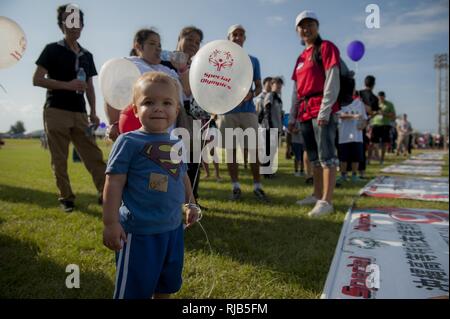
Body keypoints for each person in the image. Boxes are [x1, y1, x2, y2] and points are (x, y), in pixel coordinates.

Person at [103, 72, 200, 299]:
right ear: (135, 110)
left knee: (165, 285)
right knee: (134, 291)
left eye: (167, 103)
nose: (158, 108)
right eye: (148, 102)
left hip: (173, 230)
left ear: (176, 110)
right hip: (139, 233)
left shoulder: (176, 143)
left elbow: (182, 176)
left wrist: (191, 204)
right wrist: (110, 223)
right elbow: (114, 183)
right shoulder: (128, 141)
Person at [33, 4, 106, 212]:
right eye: (69, 21)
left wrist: (93, 111)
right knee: (60, 158)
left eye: (78, 21)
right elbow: (37, 79)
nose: (74, 26)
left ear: (82, 25)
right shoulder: (52, 49)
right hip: (56, 110)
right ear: (61, 25)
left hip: (80, 113)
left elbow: (90, 87)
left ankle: (105, 193)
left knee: (94, 155)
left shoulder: (87, 55)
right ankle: (66, 198)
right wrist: (67, 85)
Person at [289, 11, 340, 217]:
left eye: (310, 24)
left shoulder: (326, 47)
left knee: (327, 155)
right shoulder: (301, 57)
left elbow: (332, 78)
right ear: (297, 31)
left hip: (321, 108)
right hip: (304, 111)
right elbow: (296, 89)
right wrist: (292, 116)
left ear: (317, 26)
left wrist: (325, 109)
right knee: (314, 157)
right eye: (302, 26)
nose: (306, 29)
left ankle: (327, 201)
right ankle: (317, 195)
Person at [216, 24, 268, 202]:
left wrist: (252, 94)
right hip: (227, 112)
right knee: (230, 151)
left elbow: (259, 86)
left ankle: (257, 186)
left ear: (244, 38)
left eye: (241, 35)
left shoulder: (253, 60)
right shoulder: (221, 60)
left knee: (253, 150)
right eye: (234, 34)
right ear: (228, 38)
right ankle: (235, 186)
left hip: (248, 112)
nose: (238, 37)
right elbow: (216, 84)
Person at [336, 79, 368, 184]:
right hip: (344, 135)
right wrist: (353, 116)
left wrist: (363, 125)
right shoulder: (340, 102)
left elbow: (364, 118)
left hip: (357, 136)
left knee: (356, 157)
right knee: (343, 157)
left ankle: (354, 175)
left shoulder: (359, 103)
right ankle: (343, 175)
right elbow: (339, 115)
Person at [261, 77, 284, 178]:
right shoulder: (270, 95)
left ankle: (270, 170)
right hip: (269, 127)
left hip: (277, 128)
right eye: (276, 84)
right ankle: (266, 172)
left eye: (280, 85)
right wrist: (270, 126)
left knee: (273, 150)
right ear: (272, 85)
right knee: (268, 150)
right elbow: (267, 111)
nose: (279, 86)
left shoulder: (279, 99)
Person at [358, 75, 378, 178]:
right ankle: (361, 171)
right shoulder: (374, 98)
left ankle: (348, 171)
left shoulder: (358, 93)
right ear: (373, 85)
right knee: (362, 148)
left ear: (365, 82)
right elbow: (374, 112)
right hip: (364, 124)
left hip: (351, 121)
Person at [370, 91, 396, 165]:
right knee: (374, 142)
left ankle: (382, 159)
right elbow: (370, 113)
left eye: (382, 97)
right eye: (379, 97)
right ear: (377, 97)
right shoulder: (375, 103)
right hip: (375, 124)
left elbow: (393, 115)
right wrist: (375, 113)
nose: (380, 99)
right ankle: (375, 156)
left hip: (385, 124)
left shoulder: (389, 104)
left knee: (384, 143)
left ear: (384, 97)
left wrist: (384, 113)